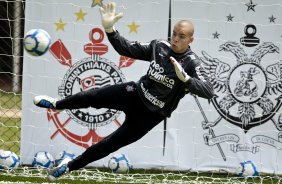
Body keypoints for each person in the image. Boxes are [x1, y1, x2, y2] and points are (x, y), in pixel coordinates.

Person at [33, 2, 214, 180]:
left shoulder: (192, 62)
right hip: (134, 93)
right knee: (93, 96)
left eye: (181, 36)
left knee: (109, 145)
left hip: (151, 115)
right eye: (174, 33)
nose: (175, 39)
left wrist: (188, 80)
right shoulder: (159, 46)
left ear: (191, 40)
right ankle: (58, 105)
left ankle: (67, 167)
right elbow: (125, 48)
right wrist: (110, 30)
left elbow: (209, 91)